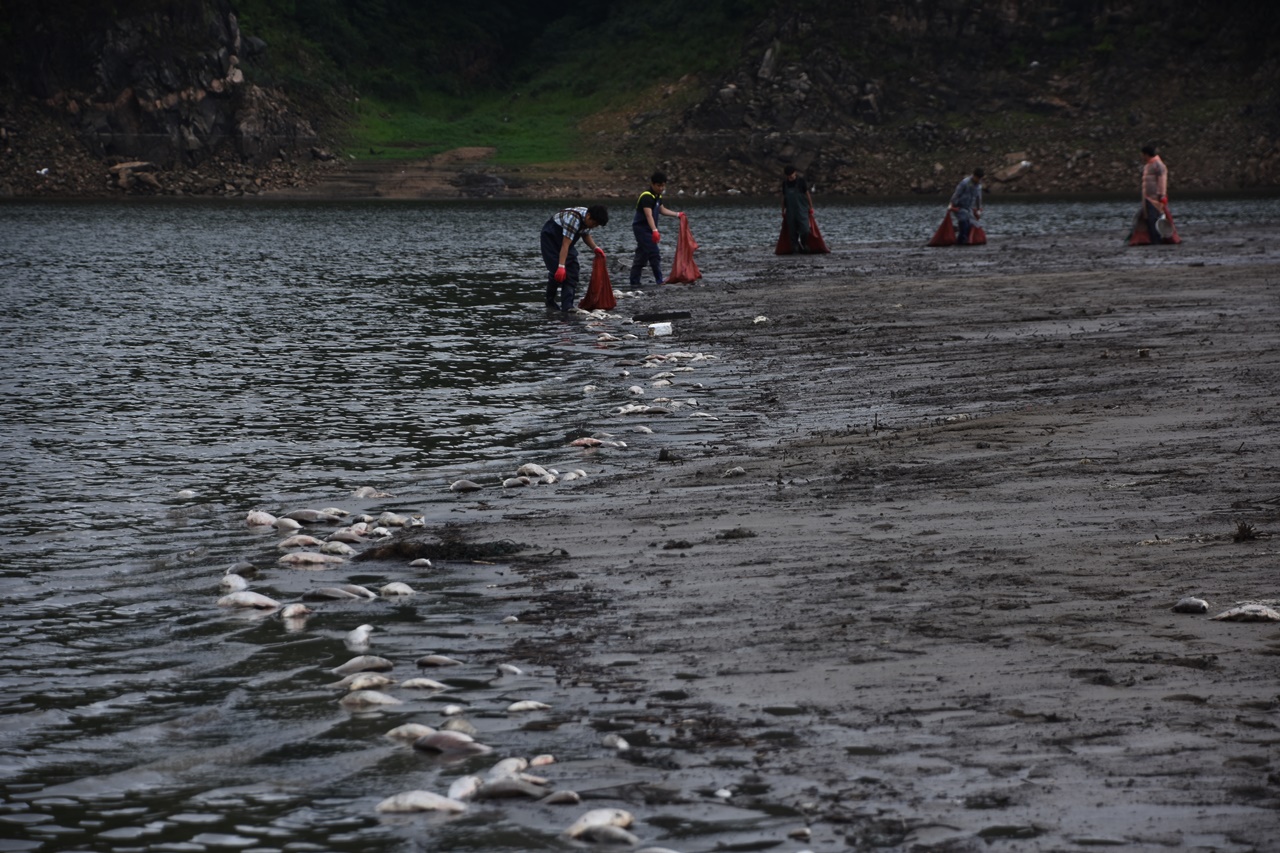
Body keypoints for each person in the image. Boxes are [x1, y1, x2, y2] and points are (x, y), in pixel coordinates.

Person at [540, 204, 608, 312]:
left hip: (565, 240)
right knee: (556, 271)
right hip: (551, 237)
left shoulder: (587, 219)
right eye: (594, 224)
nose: (593, 226)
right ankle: (550, 301)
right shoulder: (573, 220)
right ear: (589, 216)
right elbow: (565, 245)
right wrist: (561, 266)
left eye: (596, 225)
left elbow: (585, 235)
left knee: (573, 270)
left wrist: (595, 248)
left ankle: (568, 306)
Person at [629, 171, 683, 287]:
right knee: (654, 252)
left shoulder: (658, 196)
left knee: (642, 256)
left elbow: (662, 210)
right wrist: (655, 230)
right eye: (659, 185)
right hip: (642, 229)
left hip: (650, 229)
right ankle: (659, 280)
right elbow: (648, 215)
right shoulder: (646, 196)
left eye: (663, 185)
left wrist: (677, 214)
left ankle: (634, 282)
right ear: (652, 184)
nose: (661, 188)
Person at [1140, 144, 1170, 244]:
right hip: (1148, 197)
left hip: (1155, 198)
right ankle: (1153, 238)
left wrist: (1162, 195)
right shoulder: (1149, 165)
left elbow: (1162, 180)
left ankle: (1156, 240)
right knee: (1149, 218)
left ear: (1146, 154)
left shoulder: (1158, 165)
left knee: (1154, 219)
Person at [781, 165, 815, 253]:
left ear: (795, 173)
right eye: (788, 175)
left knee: (805, 229)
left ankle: (804, 243)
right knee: (792, 231)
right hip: (790, 211)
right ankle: (795, 246)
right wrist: (782, 210)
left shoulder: (801, 182)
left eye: (791, 174)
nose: (790, 177)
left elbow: (807, 194)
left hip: (802, 210)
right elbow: (784, 197)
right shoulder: (785, 184)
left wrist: (811, 207)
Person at [949, 168, 984, 245]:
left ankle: (962, 238)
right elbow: (957, 194)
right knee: (964, 220)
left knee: (973, 224)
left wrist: (978, 210)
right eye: (978, 178)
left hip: (969, 208)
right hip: (959, 206)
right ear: (974, 176)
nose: (979, 180)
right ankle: (961, 241)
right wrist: (952, 205)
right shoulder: (965, 183)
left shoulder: (978, 185)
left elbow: (978, 198)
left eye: (980, 178)